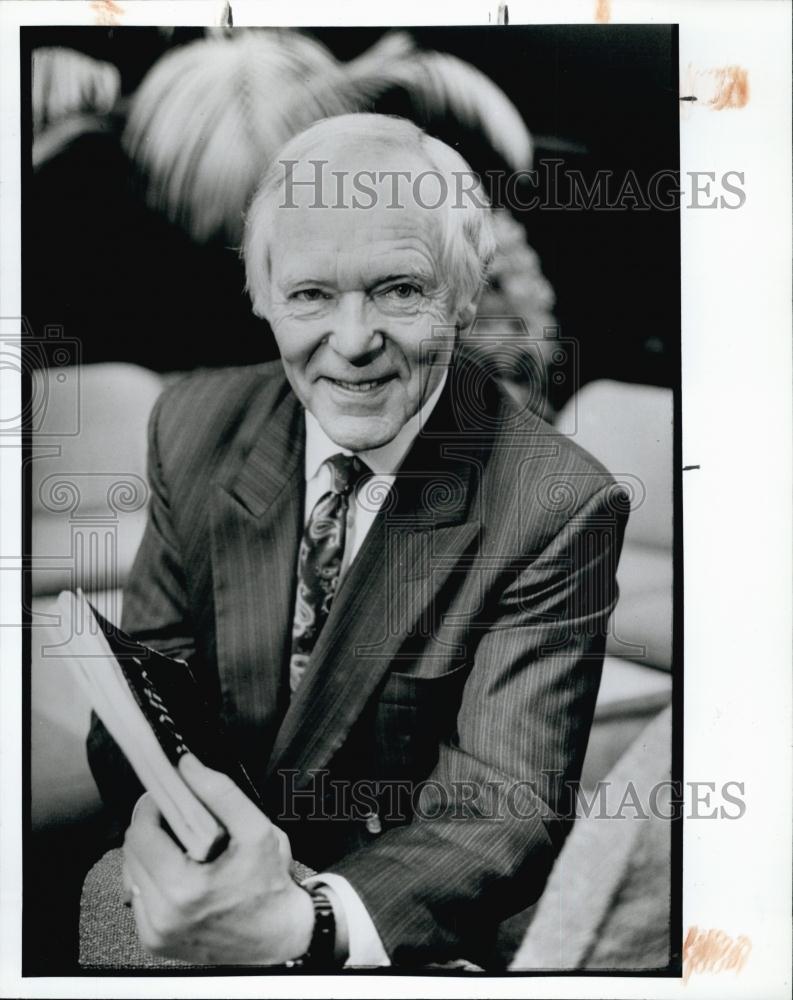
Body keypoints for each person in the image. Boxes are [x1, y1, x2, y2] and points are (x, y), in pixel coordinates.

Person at [87, 113, 628, 969]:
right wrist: (169, 831)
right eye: (308, 295)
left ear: (462, 290)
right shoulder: (191, 424)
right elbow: (155, 683)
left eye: (398, 289)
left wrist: (306, 924)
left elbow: (500, 807)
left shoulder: (556, 502)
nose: (350, 342)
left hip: (394, 921)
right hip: (213, 858)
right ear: (261, 297)